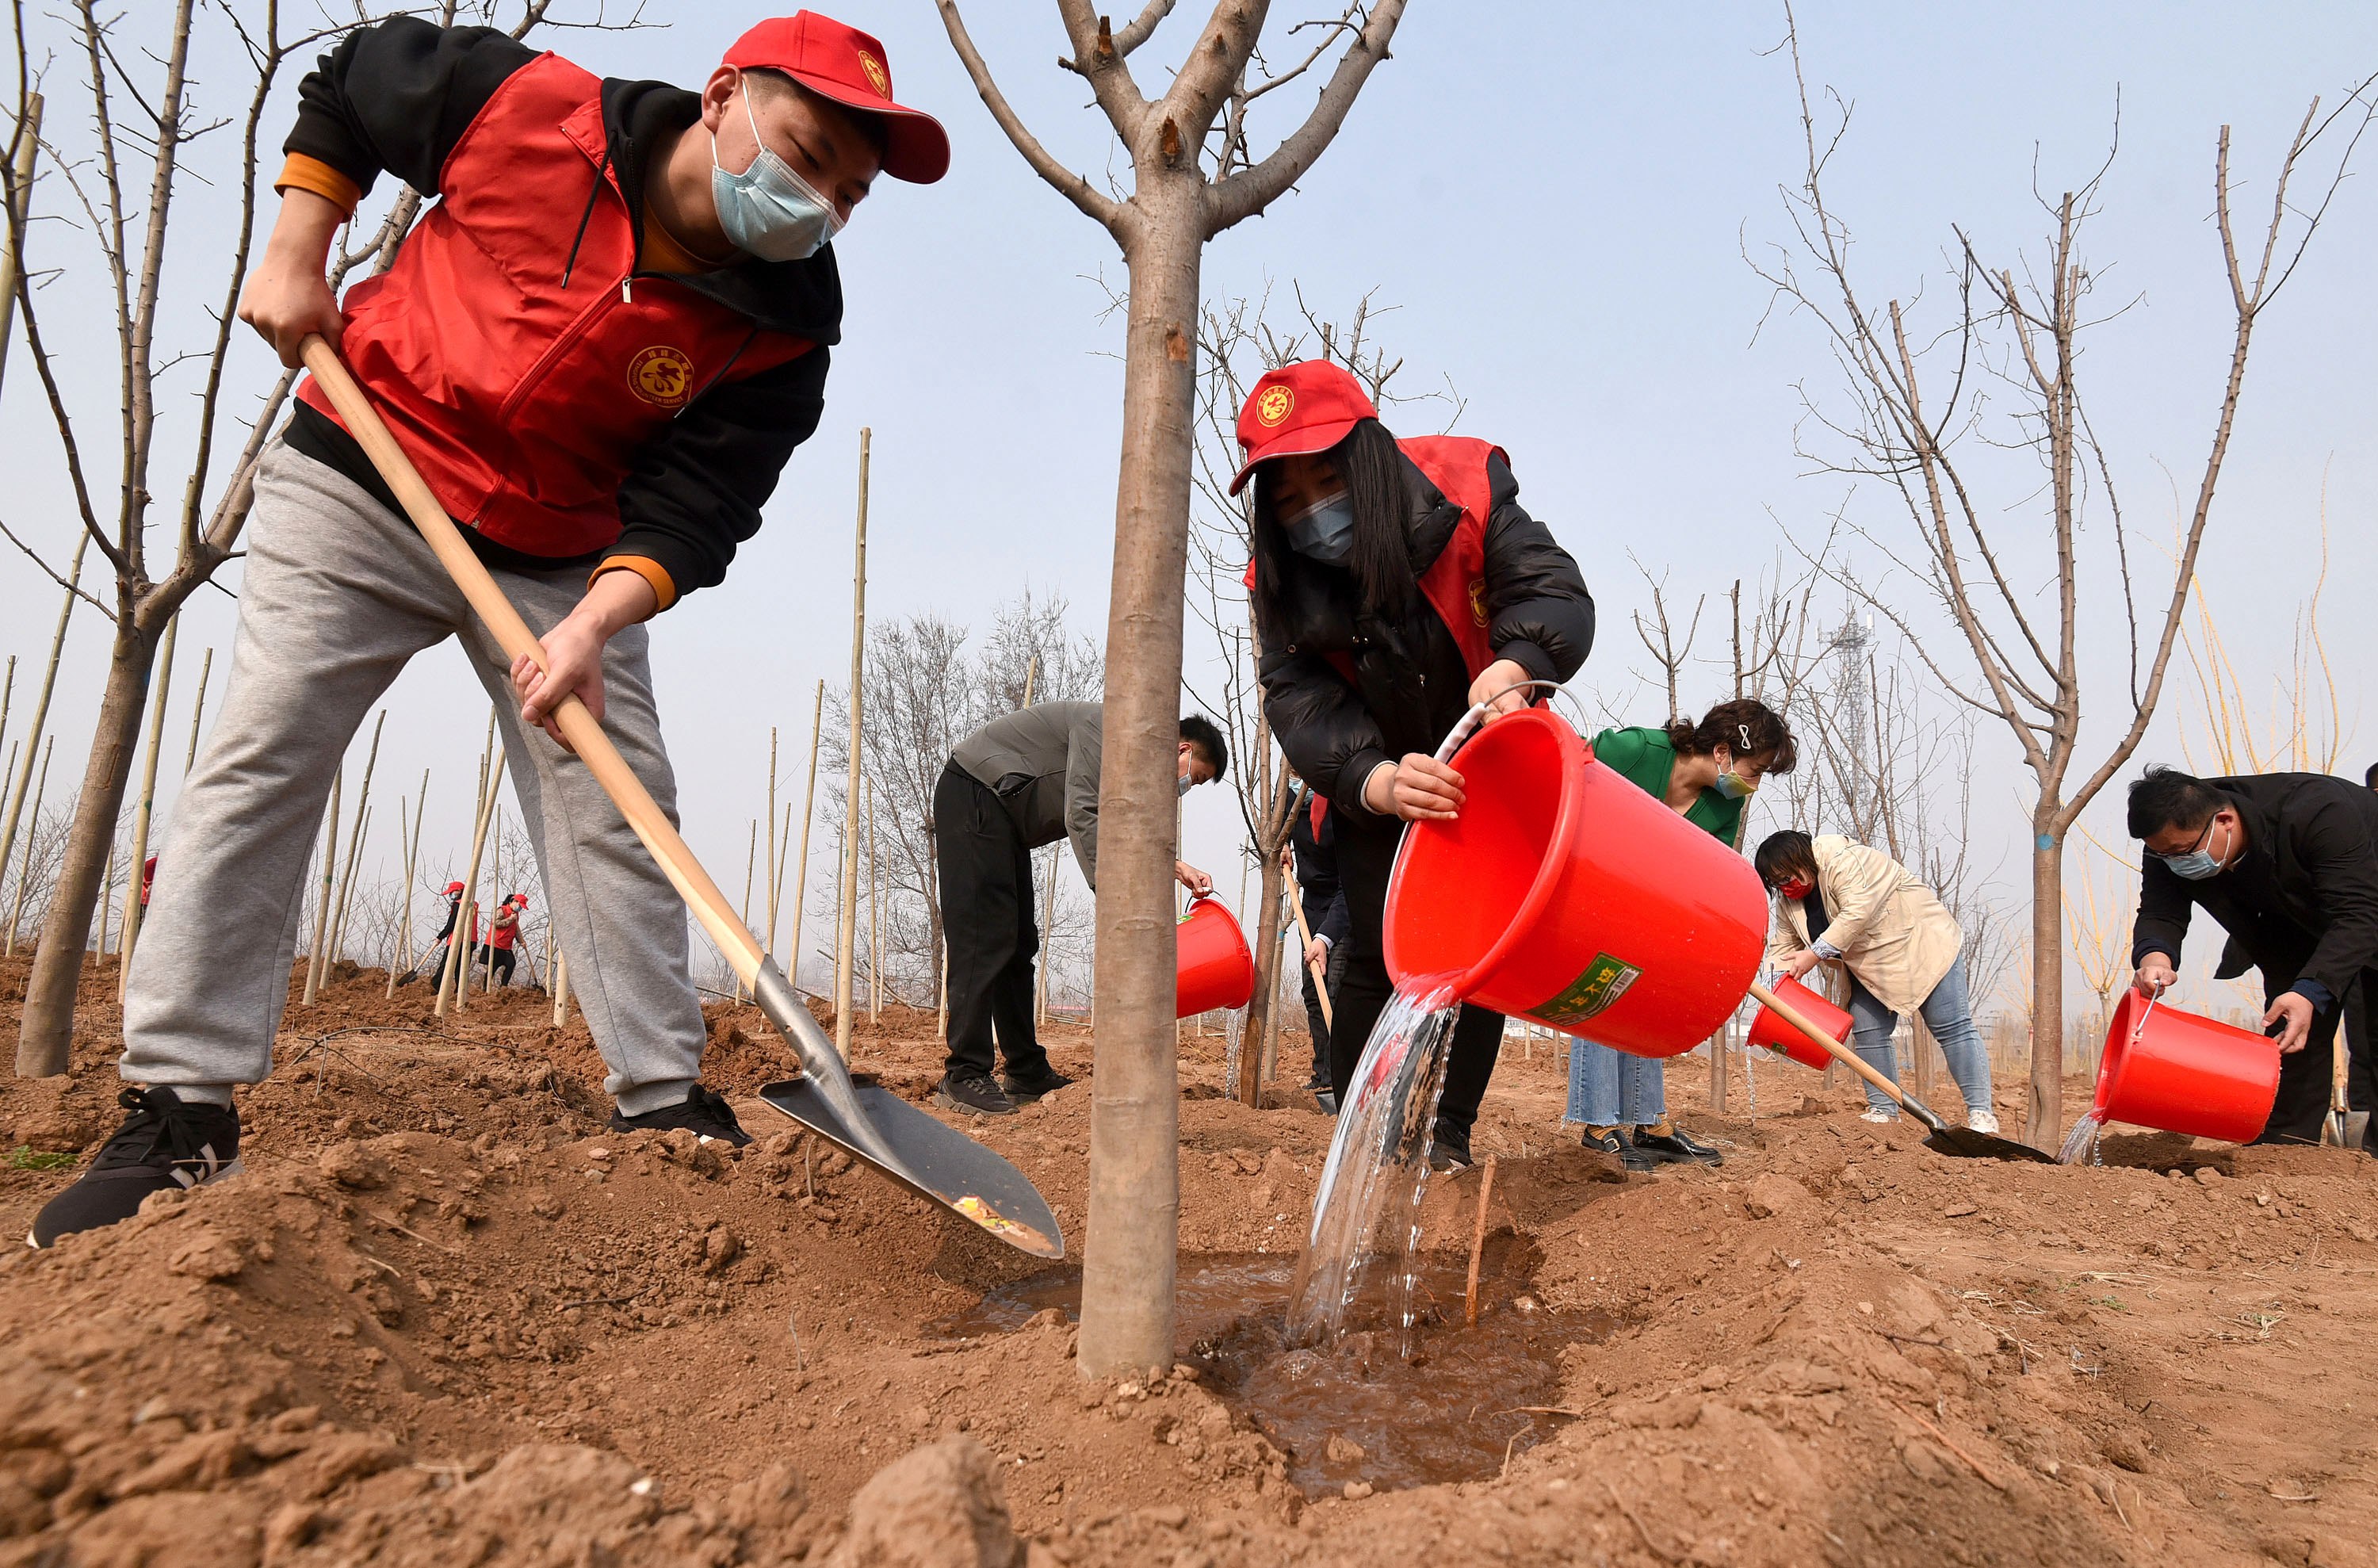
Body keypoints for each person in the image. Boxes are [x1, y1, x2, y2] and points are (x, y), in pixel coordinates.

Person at [33, 13, 950, 1248]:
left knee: (620, 803)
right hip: (367, 462)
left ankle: (663, 1101)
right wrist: (298, 247)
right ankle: (178, 1106)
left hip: (561, 550)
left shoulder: (786, 327)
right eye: (805, 150)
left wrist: (596, 621)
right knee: (267, 748)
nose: (820, 201)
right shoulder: (536, 109)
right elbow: (355, 84)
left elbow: (704, 502)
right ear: (725, 95)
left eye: (848, 191)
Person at [1237, 359, 1594, 1172]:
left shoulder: (1466, 485)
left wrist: (1518, 663)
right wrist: (1373, 777)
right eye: (1285, 502)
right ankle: (1371, 1134)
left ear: (1367, 455)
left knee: (1483, 956)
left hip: (1490, 756)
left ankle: (1447, 1139)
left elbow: (1550, 590)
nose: (1310, 514)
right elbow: (1293, 694)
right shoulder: (1280, 579)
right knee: (1375, 953)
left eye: (1325, 481)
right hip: (1379, 783)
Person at [935, 705, 1227, 1115]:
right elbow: (1083, 811)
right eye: (1192, 778)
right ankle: (964, 1073)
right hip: (974, 793)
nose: (1185, 788)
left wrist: (1175, 868)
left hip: (1005, 820)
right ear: (1181, 749)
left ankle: (1025, 1071)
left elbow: (1127, 833)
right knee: (984, 937)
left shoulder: (1130, 768)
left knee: (1017, 944)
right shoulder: (1109, 728)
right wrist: (1113, 902)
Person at [1564, 701, 1796, 1169]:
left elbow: (1704, 871)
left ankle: (1649, 1123)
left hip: (1644, 911)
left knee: (1644, 998)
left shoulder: (1724, 805)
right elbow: (1566, 776)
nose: (1754, 784)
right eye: (1755, 770)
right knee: (1601, 988)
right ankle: (1600, 1124)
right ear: (1724, 750)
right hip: (1583, 889)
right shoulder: (1635, 751)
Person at [2126, 765, 2378, 1146]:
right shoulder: (2168, 844)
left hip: (2364, 906)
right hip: (2288, 929)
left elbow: (2360, 914)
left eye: (2182, 853)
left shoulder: (2316, 811)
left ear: (2224, 821)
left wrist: (2312, 989)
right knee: (2289, 1030)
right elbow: (2161, 911)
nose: (2177, 864)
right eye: (2166, 856)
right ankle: (2287, 1148)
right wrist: (2155, 958)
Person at [1754, 829, 1998, 1133]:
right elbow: (1783, 946)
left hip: (1921, 947)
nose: (1785, 887)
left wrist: (1814, 954)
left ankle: (1981, 1114)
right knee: (1868, 1029)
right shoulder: (1789, 903)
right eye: (1775, 883)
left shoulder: (1845, 861)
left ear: (1803, 858)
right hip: (1870, 966)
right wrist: (1770, 985)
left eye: (1787, 877)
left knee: (1951, 1027)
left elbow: (1858, 911)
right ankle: (1884, 1110)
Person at [1286, 789, 1350, 1109]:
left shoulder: (1345, 810)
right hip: (1309, 904)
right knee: (1313, 993)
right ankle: (1323, 1074)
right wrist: (1282, 845)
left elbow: (1349, 888)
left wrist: (1325, 937)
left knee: (1336, 990)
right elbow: (1279, 814)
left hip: (1343, 903)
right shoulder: (1293, 800)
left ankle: (1344, 1077)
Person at [396, 881, 470, 986]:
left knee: (446, 964)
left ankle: (435, 986)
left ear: (459, 891)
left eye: (453, 892)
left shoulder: (459, 905)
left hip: (457, 939)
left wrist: (440, 937)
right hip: (471, 940)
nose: (451, 895)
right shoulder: (473, 904)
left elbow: (451, 924)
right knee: (461, 967)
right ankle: (460, 989)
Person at [473, 893, 530, 988]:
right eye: (520, 905)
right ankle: (485, 988)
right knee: (493, 967)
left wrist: (521, 941)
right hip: (495, 943)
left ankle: (504, 986)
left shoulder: (515, 915)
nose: (520, 908)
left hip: (506, 945)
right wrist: (510, 919)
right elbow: (496, 923)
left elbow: (516, 929)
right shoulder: (502, 910)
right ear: (514, 902)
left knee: (511, 964)